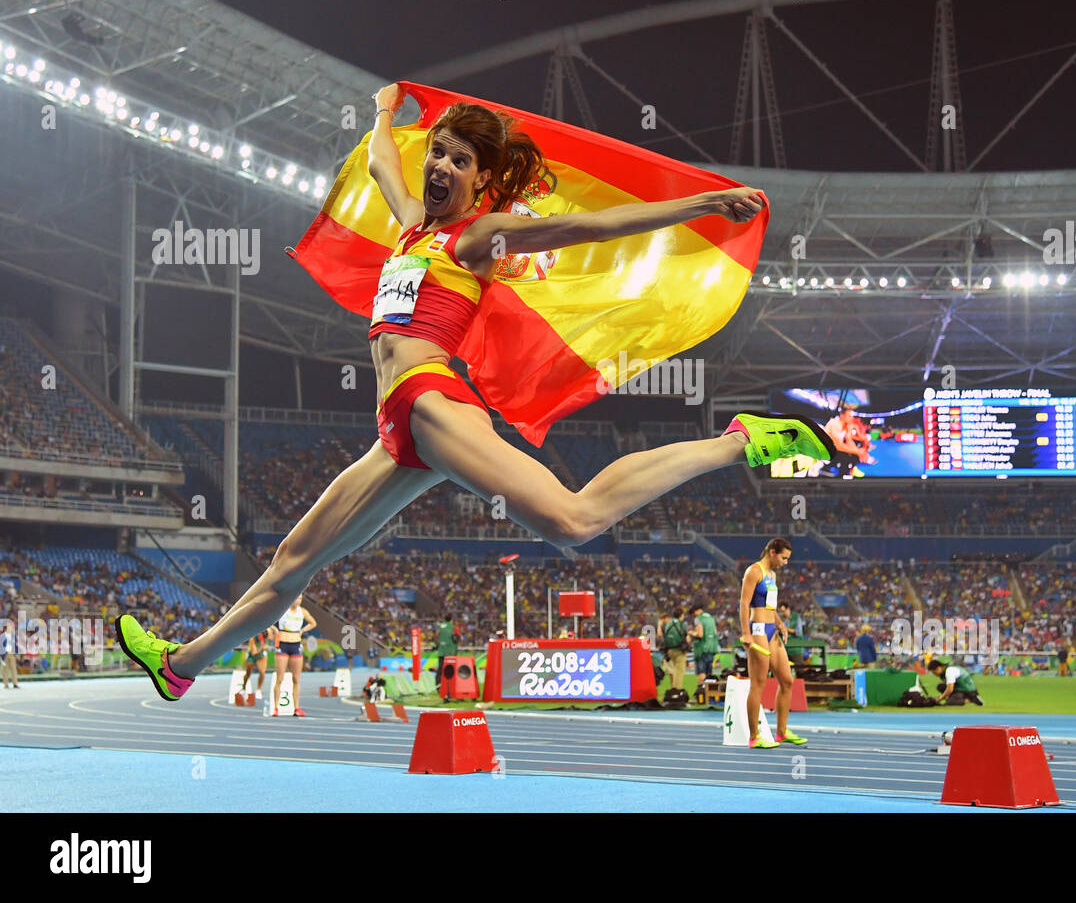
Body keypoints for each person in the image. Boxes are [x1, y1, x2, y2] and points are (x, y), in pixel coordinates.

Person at [113, 86, 834, 702]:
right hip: (395, 428)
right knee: (292, 563)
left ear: (481, 179)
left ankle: (737, 437)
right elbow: (379, 159)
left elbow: (588, 225)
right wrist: (385, 109)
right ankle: (180, 667)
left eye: (461, 159)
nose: (442, 165)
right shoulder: (410, 230)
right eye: (439, 151)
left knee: (574, 519)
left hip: (432, 401)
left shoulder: (478, 236)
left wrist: (701, 202)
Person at [739, 538, 807, 748]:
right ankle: (754, 737)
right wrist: (746, 634)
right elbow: (743, 603)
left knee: (787, 680)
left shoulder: (772, 575)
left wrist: (781, 624)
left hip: (772, 631)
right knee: (758, 684)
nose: (786, 562)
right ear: (772, 553)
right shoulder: (754, 572)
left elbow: (771, 606)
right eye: (784, 557)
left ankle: (782, 732)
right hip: (758, 630)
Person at [268, 594, 317, 717]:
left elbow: (313, 623)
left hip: (296, 645)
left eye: (300, 599)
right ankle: (275, 708)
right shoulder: (283, 609)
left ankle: (296, 708)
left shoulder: (303, 611)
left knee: (296, 679)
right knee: (280, 678)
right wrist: (275, 630)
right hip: (283, 644)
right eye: (296, 598)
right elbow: (267, 620)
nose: (298, 601)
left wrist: (302, 631)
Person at [688, 603, 718, 701]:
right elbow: (715, 633)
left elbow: (700, 634)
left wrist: (691, 633)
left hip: (702, 649)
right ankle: (711, 696)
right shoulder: (710, 618)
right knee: (709, 673)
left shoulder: (698, 619)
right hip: (712, 648)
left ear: (696, 611)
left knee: (701, 672)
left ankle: (701, 695)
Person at [661, 607, 688, 692]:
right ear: (681, 615)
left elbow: (663, 634)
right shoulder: (681, 624)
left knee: (672, 671)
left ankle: (672, 688)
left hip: (669, 651)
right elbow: (685, 636)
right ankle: (677, 691)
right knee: (679, 672)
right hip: (679, 650)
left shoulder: (668, 624)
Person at [239, 629, 269, 700]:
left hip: (261, 655)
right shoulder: (252, 638)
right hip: (252, 655)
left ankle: (258, 690)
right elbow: (254, 653)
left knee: (262, 672)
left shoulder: (267, 634)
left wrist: (275, 629)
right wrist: (261, 650)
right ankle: (243, 688)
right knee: (248, 674)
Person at [435, 614, 459, 690]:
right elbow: (457, 637)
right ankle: (451, 686)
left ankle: (438, 686)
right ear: (451, 619)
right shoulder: (453, 627)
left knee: (440, 669)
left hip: (441, 650)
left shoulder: (440, 626)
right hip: (451, 652)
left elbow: (436, 634)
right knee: (451, 670)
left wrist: (438, 643)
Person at [1, 622, 18, 689]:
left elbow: (16, 645)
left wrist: (16, 653)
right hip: (5, 654)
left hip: (12, 654)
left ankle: (15, 683)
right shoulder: (2, 636)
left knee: (14, 669)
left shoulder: (14, 636)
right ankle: (6, 684)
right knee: (5, 670)